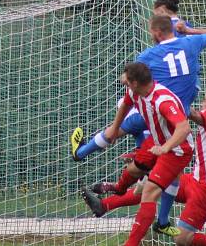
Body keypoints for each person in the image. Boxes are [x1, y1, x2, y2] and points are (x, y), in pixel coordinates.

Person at [71, 14, 206, 235]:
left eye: (151, 31)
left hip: (161, 117)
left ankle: (81, 153)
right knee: (143, 171)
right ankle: (143, 209)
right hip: (170, 121)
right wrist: (189, 31)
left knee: (146, 180)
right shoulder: (190, 42)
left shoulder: (149, 57)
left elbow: (129, 81)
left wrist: (165, 146)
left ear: (158, 32)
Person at [82, 88, 206, 246]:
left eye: (205, 100)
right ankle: (104, 206)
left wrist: (172, 98)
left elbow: (191, 114)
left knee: (182, 238)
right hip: (194, 179)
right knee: (154, 185)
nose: (202, 104)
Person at [82, 61, 193, 246]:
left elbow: (184, 128)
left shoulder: (162, 100)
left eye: (126, 81)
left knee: (149, 192)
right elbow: (124, 106)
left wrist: (165, 149)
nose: (123, 82)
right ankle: (115, 193)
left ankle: (134, 241)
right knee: (133, 170)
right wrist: (114, 130)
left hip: (177, 150)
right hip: (157, 142)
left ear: (134, 82)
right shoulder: (135, 92)